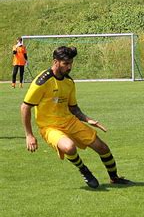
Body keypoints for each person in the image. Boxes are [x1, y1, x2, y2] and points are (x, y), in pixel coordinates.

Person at [20, 46, 132, 189]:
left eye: (71, 63)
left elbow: (73, 107)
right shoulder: (42, 82)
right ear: (56, 62)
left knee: (102, 147)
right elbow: (25, 107)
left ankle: (114, 178)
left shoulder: (69, 82)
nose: (69, 67)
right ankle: (84, 170)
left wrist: (87, 119)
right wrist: (29, 135)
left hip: (69, 121)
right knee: (69, 147)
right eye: (65, 63)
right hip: (49, 127)